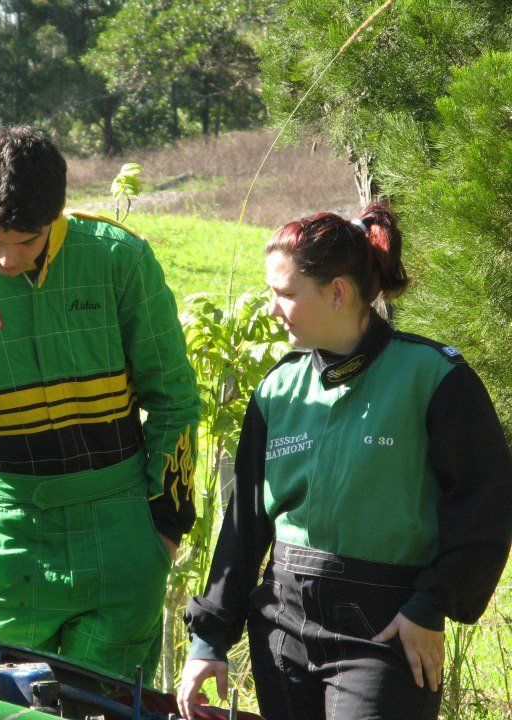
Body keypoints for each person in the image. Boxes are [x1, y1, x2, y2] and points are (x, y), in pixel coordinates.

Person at [0, 125, 200, 679]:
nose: (6, 258)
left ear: (57, 216)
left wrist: (164, 529)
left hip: (124, 534)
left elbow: (174, 396)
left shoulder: (118, 260)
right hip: (10, 541)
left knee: (107, 709)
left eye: (25, 242)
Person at [177, 204, 512, 720]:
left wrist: (430, 606)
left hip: (387, 630)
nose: (272, 308)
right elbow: (244, 525)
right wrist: (210, 639)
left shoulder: (434, 378)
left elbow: (487, 505)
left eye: (285, 294)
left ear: (337, 292)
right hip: (282, 631)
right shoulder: (277, 389)